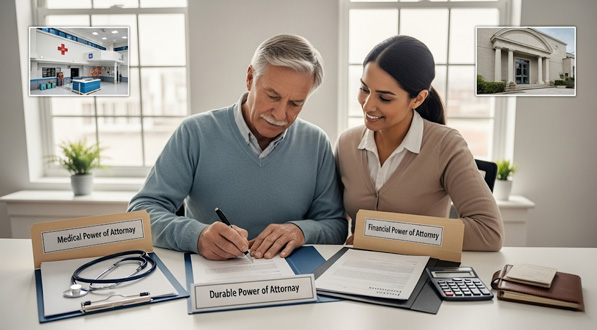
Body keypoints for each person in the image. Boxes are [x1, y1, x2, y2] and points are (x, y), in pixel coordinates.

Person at [128, 34, 347, 260]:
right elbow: (141, 213)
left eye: (295, 103)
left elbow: (336, 226)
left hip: (290, 280)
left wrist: (301, 231)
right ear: (250, 78)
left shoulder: (316, 142)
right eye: (272, 96)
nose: (280, 114)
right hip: (209, 278)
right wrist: (197, 236)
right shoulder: (195, 133)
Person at [335, 35, 504, 251]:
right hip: (356, 273)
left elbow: (488, 232)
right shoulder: (346, 143)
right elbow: (332, 217)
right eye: (364, 89)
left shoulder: (446, 145)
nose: (368, 106)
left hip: (420, 274)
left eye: (385, 98)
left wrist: (383, 236)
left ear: (418, 99)